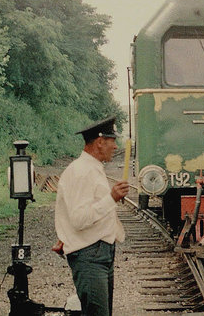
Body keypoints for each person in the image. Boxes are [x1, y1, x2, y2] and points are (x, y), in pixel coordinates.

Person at [53, 116, 129, 316]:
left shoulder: (92, 168)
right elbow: (79, 219)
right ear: (100, 141)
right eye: (113, 141)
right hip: (90, 255)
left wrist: (65, 235)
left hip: (99, 252)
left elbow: (78, 210)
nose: (115, 147)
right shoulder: (81, 172)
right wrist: (111, 197)